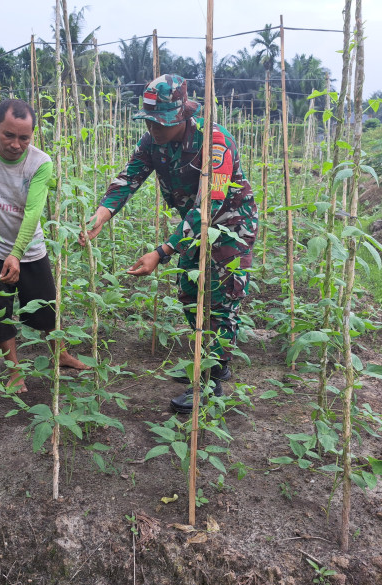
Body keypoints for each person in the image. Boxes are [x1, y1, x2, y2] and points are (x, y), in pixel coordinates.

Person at [80, 74, 258, 413]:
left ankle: (211, 380)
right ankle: (209, 359)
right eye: (149, 121)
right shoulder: (153, 141)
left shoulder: (215, 142)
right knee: (190, 290)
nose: (154, 128)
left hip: (230, 225)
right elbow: (129, 177)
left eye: (160, 122)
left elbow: (209, 205)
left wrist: (162, 252)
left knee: (220, 297)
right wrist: (102, 214)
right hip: (192, 226)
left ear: (183, 116)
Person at [0, 98, 89, 392]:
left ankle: (60, 354)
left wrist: (16, 253)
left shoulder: (40, 162)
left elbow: (33, 212)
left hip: (29, 246)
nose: (16, 144)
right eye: (9, 135)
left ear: (32, 135)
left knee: (46, 305)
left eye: (24, 138)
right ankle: (14, 371)